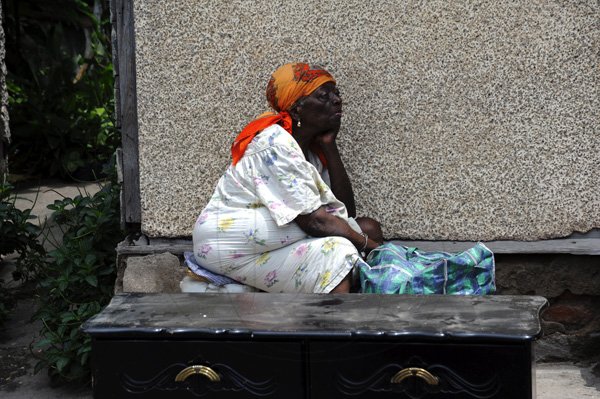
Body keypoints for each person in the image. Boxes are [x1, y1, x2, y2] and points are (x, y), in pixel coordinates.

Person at [192, 62, 383, 293]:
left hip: (264, 244)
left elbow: (345, 212)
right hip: (225, 240)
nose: (336, 100)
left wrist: (330, 146)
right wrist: (375, 249)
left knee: (364, 228)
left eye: (336, 93)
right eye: (324, 96)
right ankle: (333, 325)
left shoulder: (310, 152)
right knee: (340, 249)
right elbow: (315, 221)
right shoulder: (274, 144)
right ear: (296, 110)